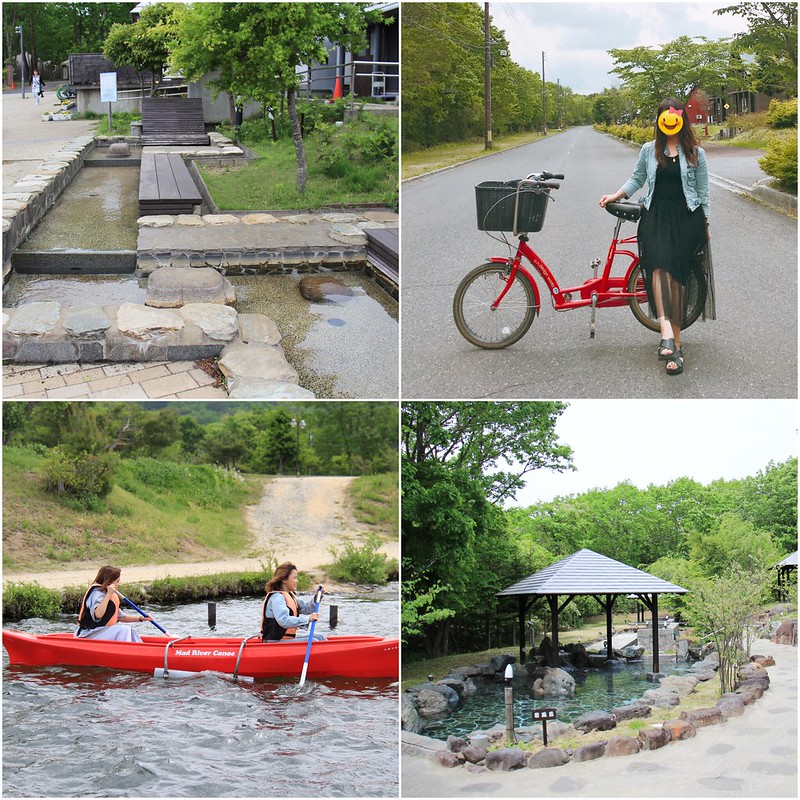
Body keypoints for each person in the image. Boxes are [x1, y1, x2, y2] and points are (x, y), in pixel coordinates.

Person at [600, 98, 713, 376]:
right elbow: (637, 179)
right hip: (656, 216)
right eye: (665, 115)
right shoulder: (649, 150)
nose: (670, 120)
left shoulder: (696, 152)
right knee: (659, 266)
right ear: (660, 120)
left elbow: (703, 190)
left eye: (674, 115)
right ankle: (665, 331)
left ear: (681, 119)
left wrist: (706, 223)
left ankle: (675, 344)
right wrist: (616, 194)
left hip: (687, 218)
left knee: (677, 277)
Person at [75, 565, 151, 642]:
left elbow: (121, 617)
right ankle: (126, 651)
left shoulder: (109, 594)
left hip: (100, 633)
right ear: (109, 582)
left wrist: (140, 619)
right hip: (88, 634)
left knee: (131, 632)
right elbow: (98, 614)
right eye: (117, 581)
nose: (119, 584)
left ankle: (138, 650)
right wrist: (108, 594)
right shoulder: (96, 593)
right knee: (124, 630)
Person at [261, 561, 326, 642]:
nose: (297, 581)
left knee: (320, 638)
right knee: (314, 641)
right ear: (284, 579)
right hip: (274, 642)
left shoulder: (291, 596)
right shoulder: (277, 598)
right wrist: (308, 619)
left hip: (286, 640)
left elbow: (307, 608)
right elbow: (284, 621)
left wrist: (317, 597)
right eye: (294, 578)